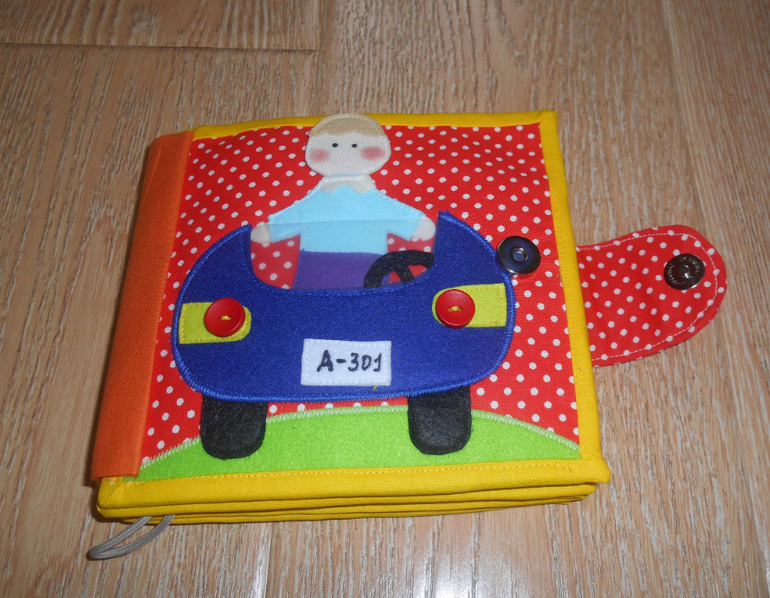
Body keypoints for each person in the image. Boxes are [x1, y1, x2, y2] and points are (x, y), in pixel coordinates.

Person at [251, 113, 435, 289]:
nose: (343, 152)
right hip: (319, 263)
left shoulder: (369, 198)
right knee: (319, 296)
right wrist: (272, 229)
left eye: (355, 145)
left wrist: (416, 223)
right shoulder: (321, 198)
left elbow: (390, 210)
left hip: (367, 262)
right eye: (334, 145)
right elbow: (300, 213)